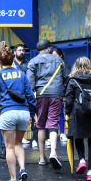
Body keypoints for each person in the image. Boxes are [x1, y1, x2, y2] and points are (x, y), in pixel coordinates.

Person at [0, 46, 36, 181]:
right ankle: (22, 169)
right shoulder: (21, 74)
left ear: (0, 62)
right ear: (12, 60)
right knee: (18, 144)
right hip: (23, 113)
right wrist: (32, 114)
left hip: (8, 113)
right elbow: (30, 96)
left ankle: (13, 179)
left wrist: (3, 103)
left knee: (9, 147)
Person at [65, 57, 91, 181]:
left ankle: (82, 160)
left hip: (78, 113)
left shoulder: (73, 81)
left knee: (78, 138)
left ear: (76, 66)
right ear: (89, 65)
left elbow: (68, 100)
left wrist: (67, 112)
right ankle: (90, 172)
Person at [27, 39, 65, 170]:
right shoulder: (59, 60)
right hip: (56, 95)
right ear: (49, 48)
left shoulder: (33, 62)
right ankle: (53, 152)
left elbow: (30, 84)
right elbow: (66, 79)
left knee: (41, 124)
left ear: (38, 50)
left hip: (41, 95)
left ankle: (42, 157)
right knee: (53, 123)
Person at [12, 44, 30, 144]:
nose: (22, 52)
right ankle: (16, 137)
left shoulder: (28, 63)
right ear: (14, 52)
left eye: (23, 50)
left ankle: (21, 136)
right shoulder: (11, 64)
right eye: (19, 50)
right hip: (14, 93)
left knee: (25, 117)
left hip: (25, 93)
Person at [52, 47, 71, 142]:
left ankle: (62, 133)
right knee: (50, 115)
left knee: (60, 114)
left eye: (56, 55)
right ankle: (50, 137)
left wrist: (64, 95)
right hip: (51, 93)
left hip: (60, 93)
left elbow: (67, 81)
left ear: (61, 56)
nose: (54, 58)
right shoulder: (49, 67)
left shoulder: (65, 66)